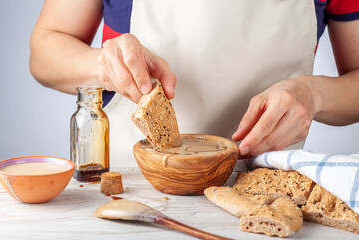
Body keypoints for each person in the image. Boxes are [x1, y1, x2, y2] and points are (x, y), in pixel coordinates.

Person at [30, 0, 359, 166]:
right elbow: (44, 52)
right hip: (132, 181)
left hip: (265, 186)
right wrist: (102, 64)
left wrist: (314, 94)